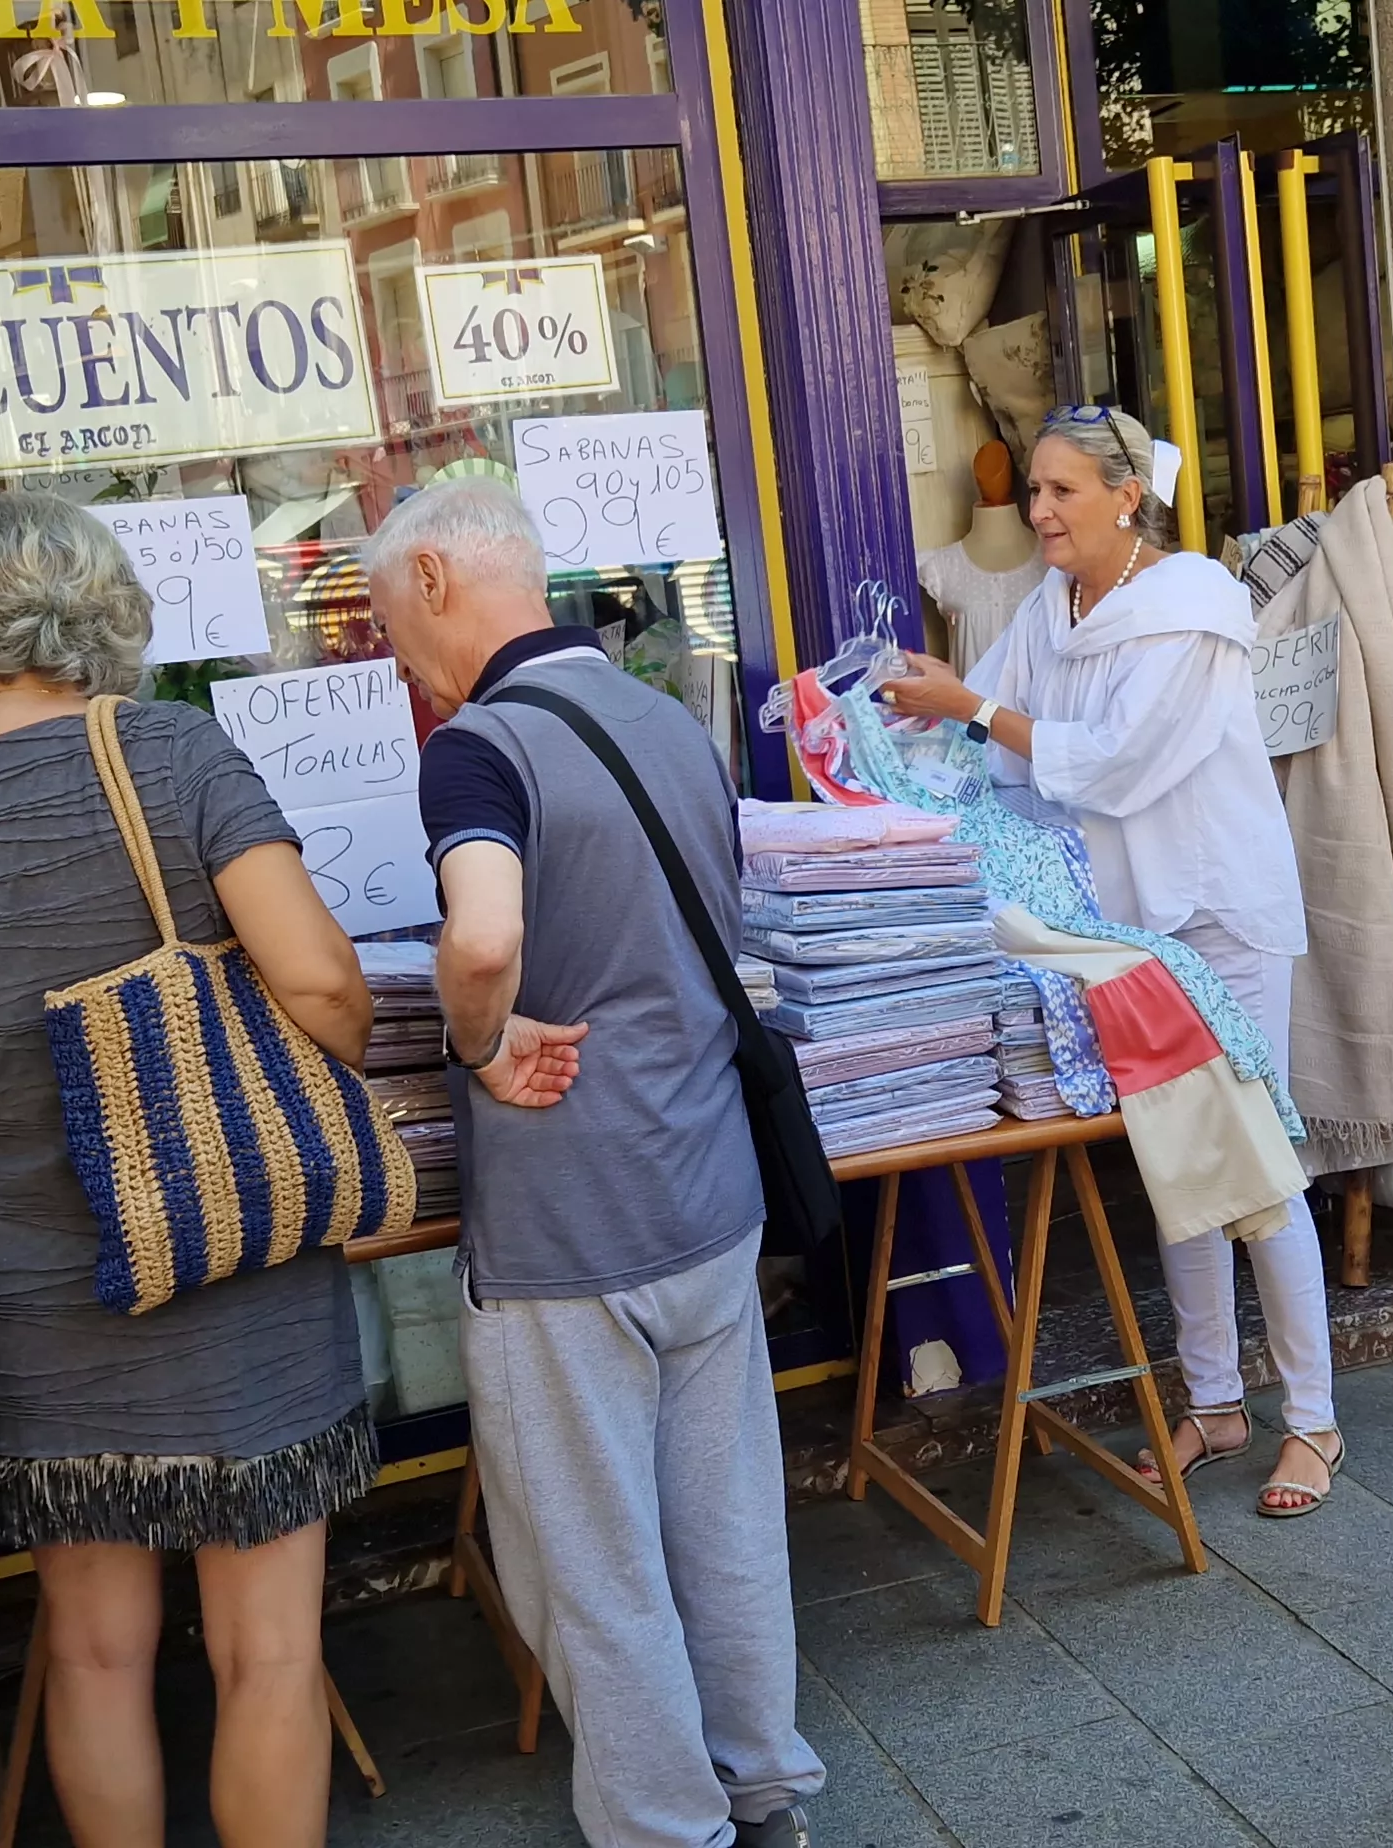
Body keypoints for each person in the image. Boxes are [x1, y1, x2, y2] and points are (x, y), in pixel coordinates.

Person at [0, 492, 376, 1848]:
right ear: (107, 614)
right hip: (231, 1243)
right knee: (270, 1655)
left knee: (95, 1650)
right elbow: (318, 982)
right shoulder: (173, 752)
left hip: (36, 1280)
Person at [379, 478, 825, 1848]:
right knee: (729, 1524)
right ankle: (768, 1791)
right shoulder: (665, 719)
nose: (395, 651)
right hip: (707, 1195)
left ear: (443, 579)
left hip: (566, 1230)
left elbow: (481, 938)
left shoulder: (478, 748)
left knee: (596, 1565)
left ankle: (660, 1827)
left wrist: (481, 1039)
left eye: (393, 616)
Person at [878, 406, 1344, 1516]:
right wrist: (905, 713)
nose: (1037, 511)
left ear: (1125, 497)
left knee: (1258, 1172)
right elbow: (981, 722)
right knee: (1175, 1168)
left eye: (1060, 492)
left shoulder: (1190, 611)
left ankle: (1314, 1423)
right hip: (1125, 934)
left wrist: (974, 708)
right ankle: (1216, 1400)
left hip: (1218, 917)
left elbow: (1116, 766)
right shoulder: (1056, 604)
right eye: (1034, 490)